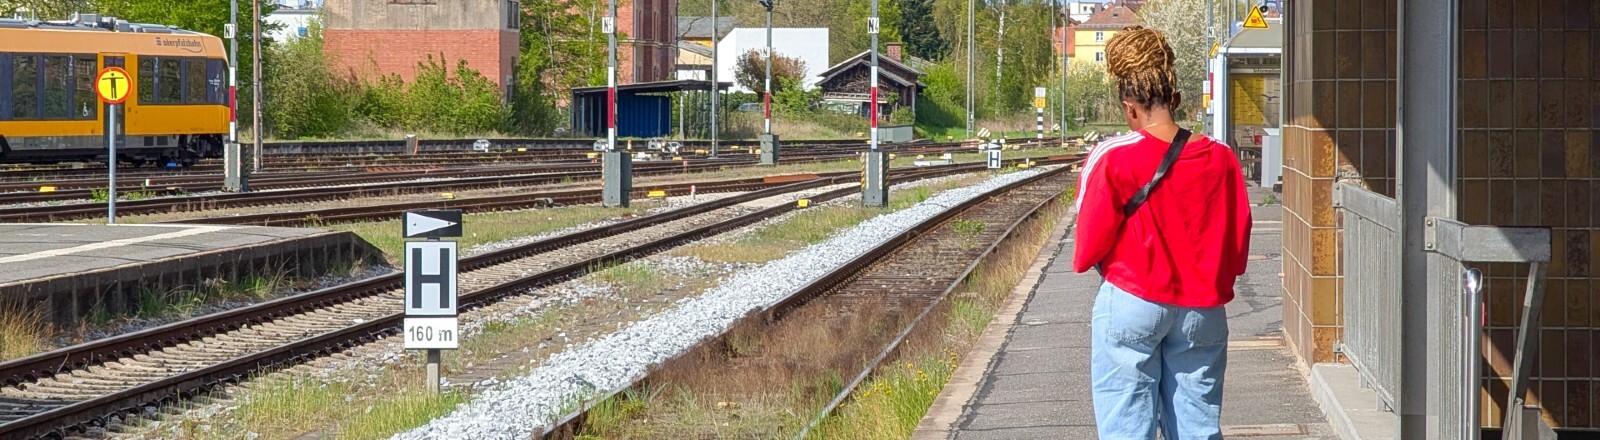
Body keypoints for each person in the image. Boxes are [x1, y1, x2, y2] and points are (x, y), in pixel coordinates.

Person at [1071, 26, 1252, 440]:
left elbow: (1088, 245)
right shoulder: (1221, 156)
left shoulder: (1113, 156)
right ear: (1177, 99)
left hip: (1134, 300)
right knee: (1198, 425)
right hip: (1202, 309)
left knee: (1127, 426)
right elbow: (1238, 240)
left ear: (1129, 106)